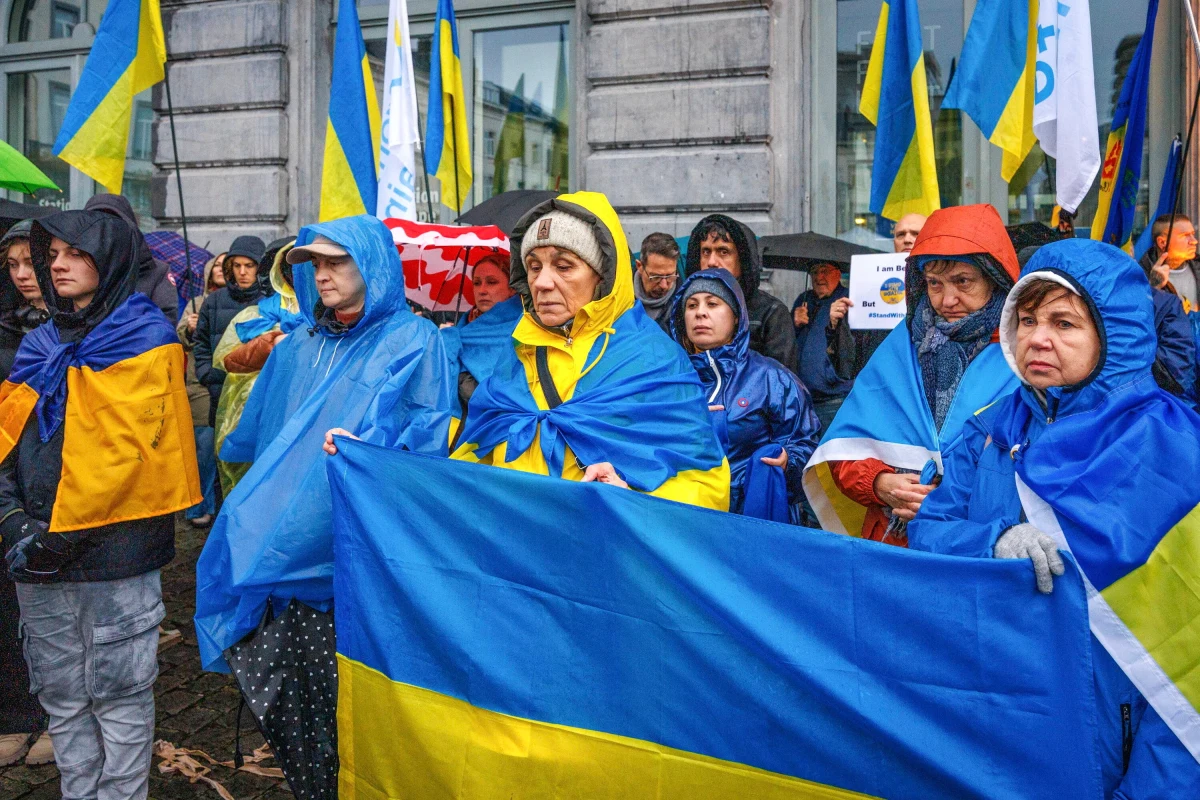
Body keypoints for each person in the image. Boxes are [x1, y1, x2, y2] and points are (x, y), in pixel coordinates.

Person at [908, 238, 1200, 798]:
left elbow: (1192, 661)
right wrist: (994, 541)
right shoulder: (990, 427)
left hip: (1112, 734)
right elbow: (928, 531)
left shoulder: (1172, 448)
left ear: (1114, 335)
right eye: (1026, 320)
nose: (1037, 338)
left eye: (1064, 323)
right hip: (993, 715)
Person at [195, 214, 457, 672]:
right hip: (283, 530)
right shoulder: (299, 344)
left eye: (336, 262)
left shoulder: (413, 338)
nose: (321, 275)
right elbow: (262, 432)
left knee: (343, 672)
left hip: (353, 531)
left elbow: (424, 431)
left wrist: (368, 446)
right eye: (315, 264)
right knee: (282, 669)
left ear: (370, 264)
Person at [2, 209, 199, 800]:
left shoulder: (146, 340)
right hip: (36, 554)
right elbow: (7, 440)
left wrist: (62, 534)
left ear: (109, 260)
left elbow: (140, 460)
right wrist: (12, 519)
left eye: (75, 253)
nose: (57, 265)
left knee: (119, 697)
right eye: (52, 255)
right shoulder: (39, 343)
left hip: (115, 557)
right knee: (60, 695)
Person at [450, 192, 730, 509]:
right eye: (534, 266)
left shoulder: (655, 360)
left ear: (602, 275)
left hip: (601, 539)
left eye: (563, 266)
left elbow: (707, 483)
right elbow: (471, 462)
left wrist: (632, 498)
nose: (541, 282)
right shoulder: (516, 353)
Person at [803, 204, 1021, 545]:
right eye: (934, 283)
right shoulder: (899, 346)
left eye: (963, 281)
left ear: (995, 280)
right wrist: (879, 484)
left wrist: (947, 503)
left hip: (981, 547)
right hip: (893, 547)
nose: (947, 300)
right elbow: (843, 451)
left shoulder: (1024, 353)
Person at [670, 268, 819, 520]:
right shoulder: (669, 380)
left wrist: (788, 461)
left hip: (753, 520)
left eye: (712, 304)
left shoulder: (771, 378)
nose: (700, 312)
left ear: (736, 316)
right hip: (685, 521)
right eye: (691, 305)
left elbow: (807, 445)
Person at [0, 220, 51, 769]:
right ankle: (16, 714)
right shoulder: (6, 328)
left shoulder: (88, 329)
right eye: (12, 265)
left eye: (30, 263)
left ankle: (57, 716)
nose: (22, 275)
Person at [211, 238, 299, 493]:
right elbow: (227, 359)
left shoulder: (329, 313)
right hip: (256, 411)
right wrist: (271, 343)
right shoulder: (256, 315)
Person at [685, 214, 797, 373]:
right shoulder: (686, 309)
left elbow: (781, 379)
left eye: (723, 252)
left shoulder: (771, 313)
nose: (712, 262)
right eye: (706, 252)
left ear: (743, 259)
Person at [193, 236, 267, 427]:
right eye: (236, 265)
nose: (242, 272)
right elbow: (201, 343)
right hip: (220, 394)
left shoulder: (271, 301)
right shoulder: (214, 301)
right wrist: (208, 375)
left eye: (249, 266)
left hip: (259, 395)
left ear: (260, 266)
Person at [177, 254, 226, 528]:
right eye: (216, 265)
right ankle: (199, 506)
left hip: (231, 383)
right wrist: (190, 328)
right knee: (203, 451)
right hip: (200, 387)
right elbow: (180, 339)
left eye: (225, 265)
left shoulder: (244, 301)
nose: (221, 269)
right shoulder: (196, 304)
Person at [439, 253, 522, 412]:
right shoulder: (463, 329)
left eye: (491, 282)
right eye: (477, 283)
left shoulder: (524, 328)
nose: (482, 290)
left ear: (512, 288)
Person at [83, 194, 178, 321]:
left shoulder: (157, 272)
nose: (106, 230)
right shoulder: (73, 270)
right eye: (98, 223)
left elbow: (165, 322)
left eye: (114, 223)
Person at [792, 262, 854, 434]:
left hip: (834, 397)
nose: (819, 277)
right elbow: (788, 342)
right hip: (803, 398)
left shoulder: (847, 300)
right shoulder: (803, 300)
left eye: (825, 271)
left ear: (838, 274)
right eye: (815, 272)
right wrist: (794, 323)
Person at [1139, 213, 1200, 311]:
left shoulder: (1197, 267)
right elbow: (1140, 313)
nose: (1194, 241)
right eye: (1185, 235)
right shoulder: (1140, 275)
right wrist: (1154, 287)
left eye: (1192, 234)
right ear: (1162, 242)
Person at [633, 232, 680, 331]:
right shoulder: (619, 295)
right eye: (656, 277)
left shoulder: (683, 303)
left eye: (670, 276)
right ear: (639, 266)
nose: (664, 285)